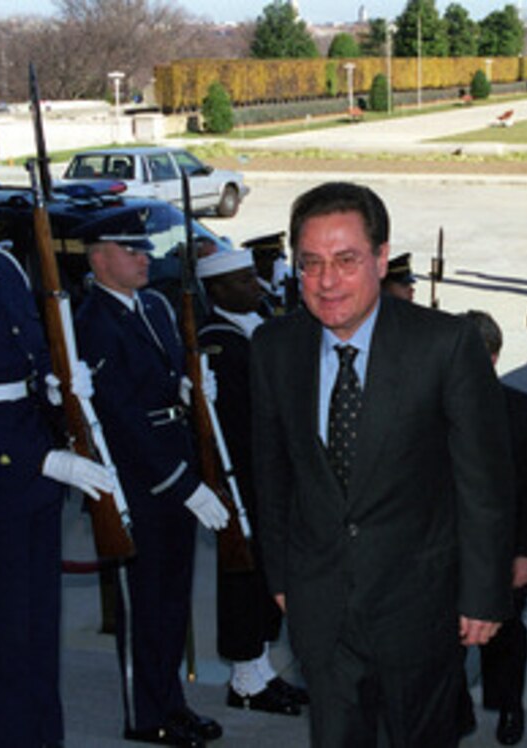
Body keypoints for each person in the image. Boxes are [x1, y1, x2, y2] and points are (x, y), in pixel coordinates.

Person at [250, 181, 515, 747]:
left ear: (380, 257)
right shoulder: (274, 347)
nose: (326, 282)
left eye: (345, 261)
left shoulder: (444, 346)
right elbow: (270, 477)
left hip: (422, 607)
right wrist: (280, 578)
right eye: (311, 264)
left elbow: (483, 483)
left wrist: (484, 593)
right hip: (320, 607)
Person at [0, 139, 113, 747]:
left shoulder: (6, 267)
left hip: (40, 473)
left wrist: (60, 389)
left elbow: (35, 355)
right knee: (8, 638)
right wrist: (42, 456)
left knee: (41, 634)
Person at [75, 209, 230, 748]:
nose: (144, 257)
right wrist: (182, 483)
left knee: (170, 601)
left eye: (145, 248)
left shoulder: (155, 308)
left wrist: (190, 393)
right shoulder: (93, 322)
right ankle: (145, 714)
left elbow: (166, 382)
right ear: (99, 258)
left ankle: (171, 703)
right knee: (145, 605)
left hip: (176, 464)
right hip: (138, 484)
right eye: (130, 249)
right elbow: (119, 421)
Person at [196, 250, 310, 717]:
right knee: (243, 577)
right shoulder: (217, 342)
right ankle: (244, 677)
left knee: (269, 575)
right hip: (242, 478)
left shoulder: (256, 322)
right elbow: (238, 421)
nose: (255, 286)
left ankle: (260, 670)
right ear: (217, 291)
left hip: (272, 476)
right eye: (243, 281)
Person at [461, 310, 527, 746]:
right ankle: (453, 710)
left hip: (507, 551)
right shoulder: (426, 409)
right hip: (446, 549)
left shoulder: (524, 412)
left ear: (495, 357)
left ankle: (507, 705)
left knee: (503, 632)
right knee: (442, 638)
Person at [242, 231, 295, 314]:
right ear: (256, 260)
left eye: (280, 256)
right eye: (273, 257)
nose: (279, 262)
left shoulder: (291, 279)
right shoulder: (250, 288)